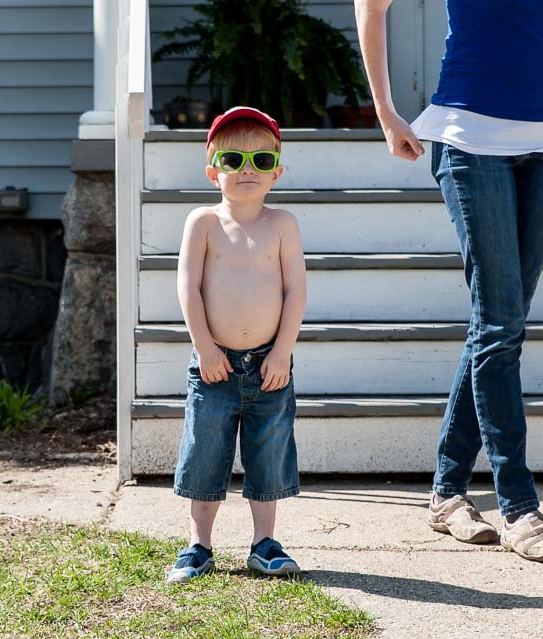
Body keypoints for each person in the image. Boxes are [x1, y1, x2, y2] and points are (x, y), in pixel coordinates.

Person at [355, 0, 543, 561]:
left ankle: (448, 493)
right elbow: (370, 5)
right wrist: (386, 112)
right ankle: (520, 508)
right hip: (471, 139)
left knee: (497, 325)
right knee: (501, 324)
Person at [166, 107, 307, 582]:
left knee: (268, 453)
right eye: (234, 159)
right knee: (206, 452)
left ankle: (264, 543)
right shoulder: (203, 222)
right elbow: (188, 287)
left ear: (277, 172)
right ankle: (198, 545)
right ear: (213, 172)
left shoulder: (282, 223)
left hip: (270, 364)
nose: (248, 168)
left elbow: (295, 291)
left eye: (261, 161)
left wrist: (283, 351)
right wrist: (204, 346)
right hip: (214, 366)